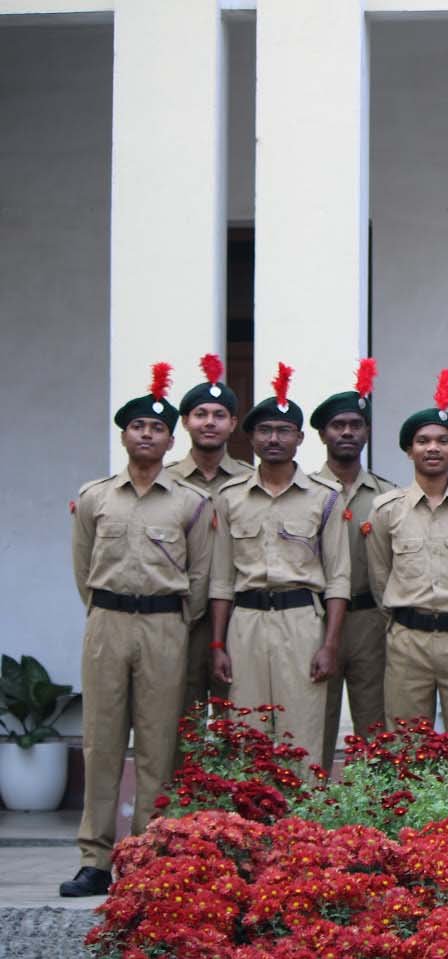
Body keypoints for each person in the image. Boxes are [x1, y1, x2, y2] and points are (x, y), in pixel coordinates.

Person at [62, 364, 214, 898]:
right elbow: (82, 567)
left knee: (158, 743)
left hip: (165, 626)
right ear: (124, 436)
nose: (146, 435)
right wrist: (107, 608)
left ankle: (147, 856)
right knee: (102, 742)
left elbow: (201, 576)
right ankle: (95, 859)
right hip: (106, 622)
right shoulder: (96, 497)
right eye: (137, 427)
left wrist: (173, 621)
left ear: (172, 440)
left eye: (157, 428)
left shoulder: (191, 502)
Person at [209, 363, 348, 771]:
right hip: (246, 623)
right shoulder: (230, 496)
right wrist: (217, 645)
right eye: (265, 430)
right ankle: (251, 813)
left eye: (284, 431)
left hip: (302, 621)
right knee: (247, 732)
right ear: (250, 437)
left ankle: (302, 812)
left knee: (301, 732)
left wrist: (330, 644)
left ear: (300, 438)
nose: (274, 438)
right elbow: (221, 578)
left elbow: (339, 578)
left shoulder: (324, 496)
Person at [368, 370, 448, 735]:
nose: (433, 448)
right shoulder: (386, 509)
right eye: (423, 441)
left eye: (443, 440)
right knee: (407, 740)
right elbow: (380, 576)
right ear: (409, 450)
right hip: (408, 639)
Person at [309, 358, 395, 769]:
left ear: (367, 431)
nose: (347, 432)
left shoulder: (386, 497)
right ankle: (312, 802)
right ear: (322, 434)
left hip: (369, 621)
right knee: (314, 722)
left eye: (355, 425)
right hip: (314, 620)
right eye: (337, 425)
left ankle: (376, 804)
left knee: (374, 725)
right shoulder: (305, 493)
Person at [167, 353, 252, 713]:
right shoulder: (165, 481)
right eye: (200, 414)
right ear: (186, 422)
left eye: (219, 415)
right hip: (179, 615)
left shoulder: (251, 481)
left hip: (238, 616)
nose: (209, 423)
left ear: (233, 424)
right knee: (180, 716)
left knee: (237, 715)